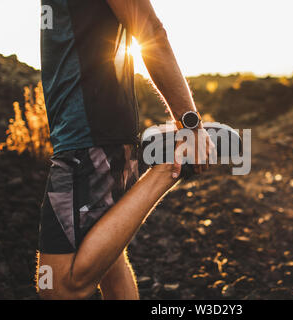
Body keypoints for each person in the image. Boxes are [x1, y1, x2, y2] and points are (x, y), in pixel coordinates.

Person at [37, 0, 214, 300]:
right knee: (111, 268)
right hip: (85, 133)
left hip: (89, 133)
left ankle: (167, 168)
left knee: (59, 286)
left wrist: (191, 126)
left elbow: (150, 30)